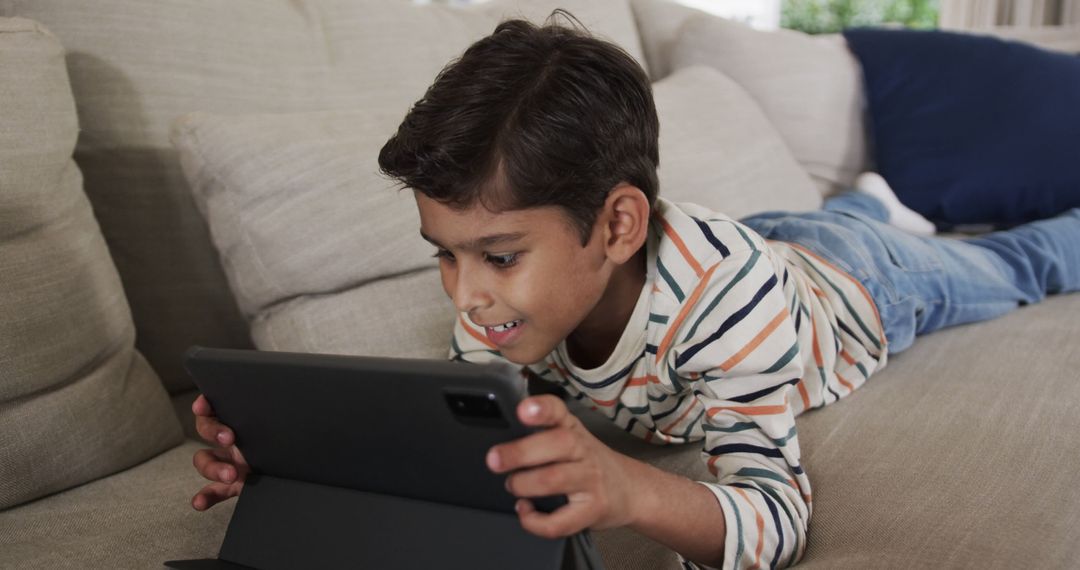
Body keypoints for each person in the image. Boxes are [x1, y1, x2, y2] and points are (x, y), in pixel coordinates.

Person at [189, 14, 1080, 569]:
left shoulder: (727, 309)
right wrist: (286, 456)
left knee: (1017, 267)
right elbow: (465, 446)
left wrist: (631, 491)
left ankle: (875, 216)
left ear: (615, 228)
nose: (465, 298)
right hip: (755, 237)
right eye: (445, 255)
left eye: (497, 256)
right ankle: (863, 202)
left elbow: (774, 520)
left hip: (857, 285)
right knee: (816, 222)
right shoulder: (504, 308)